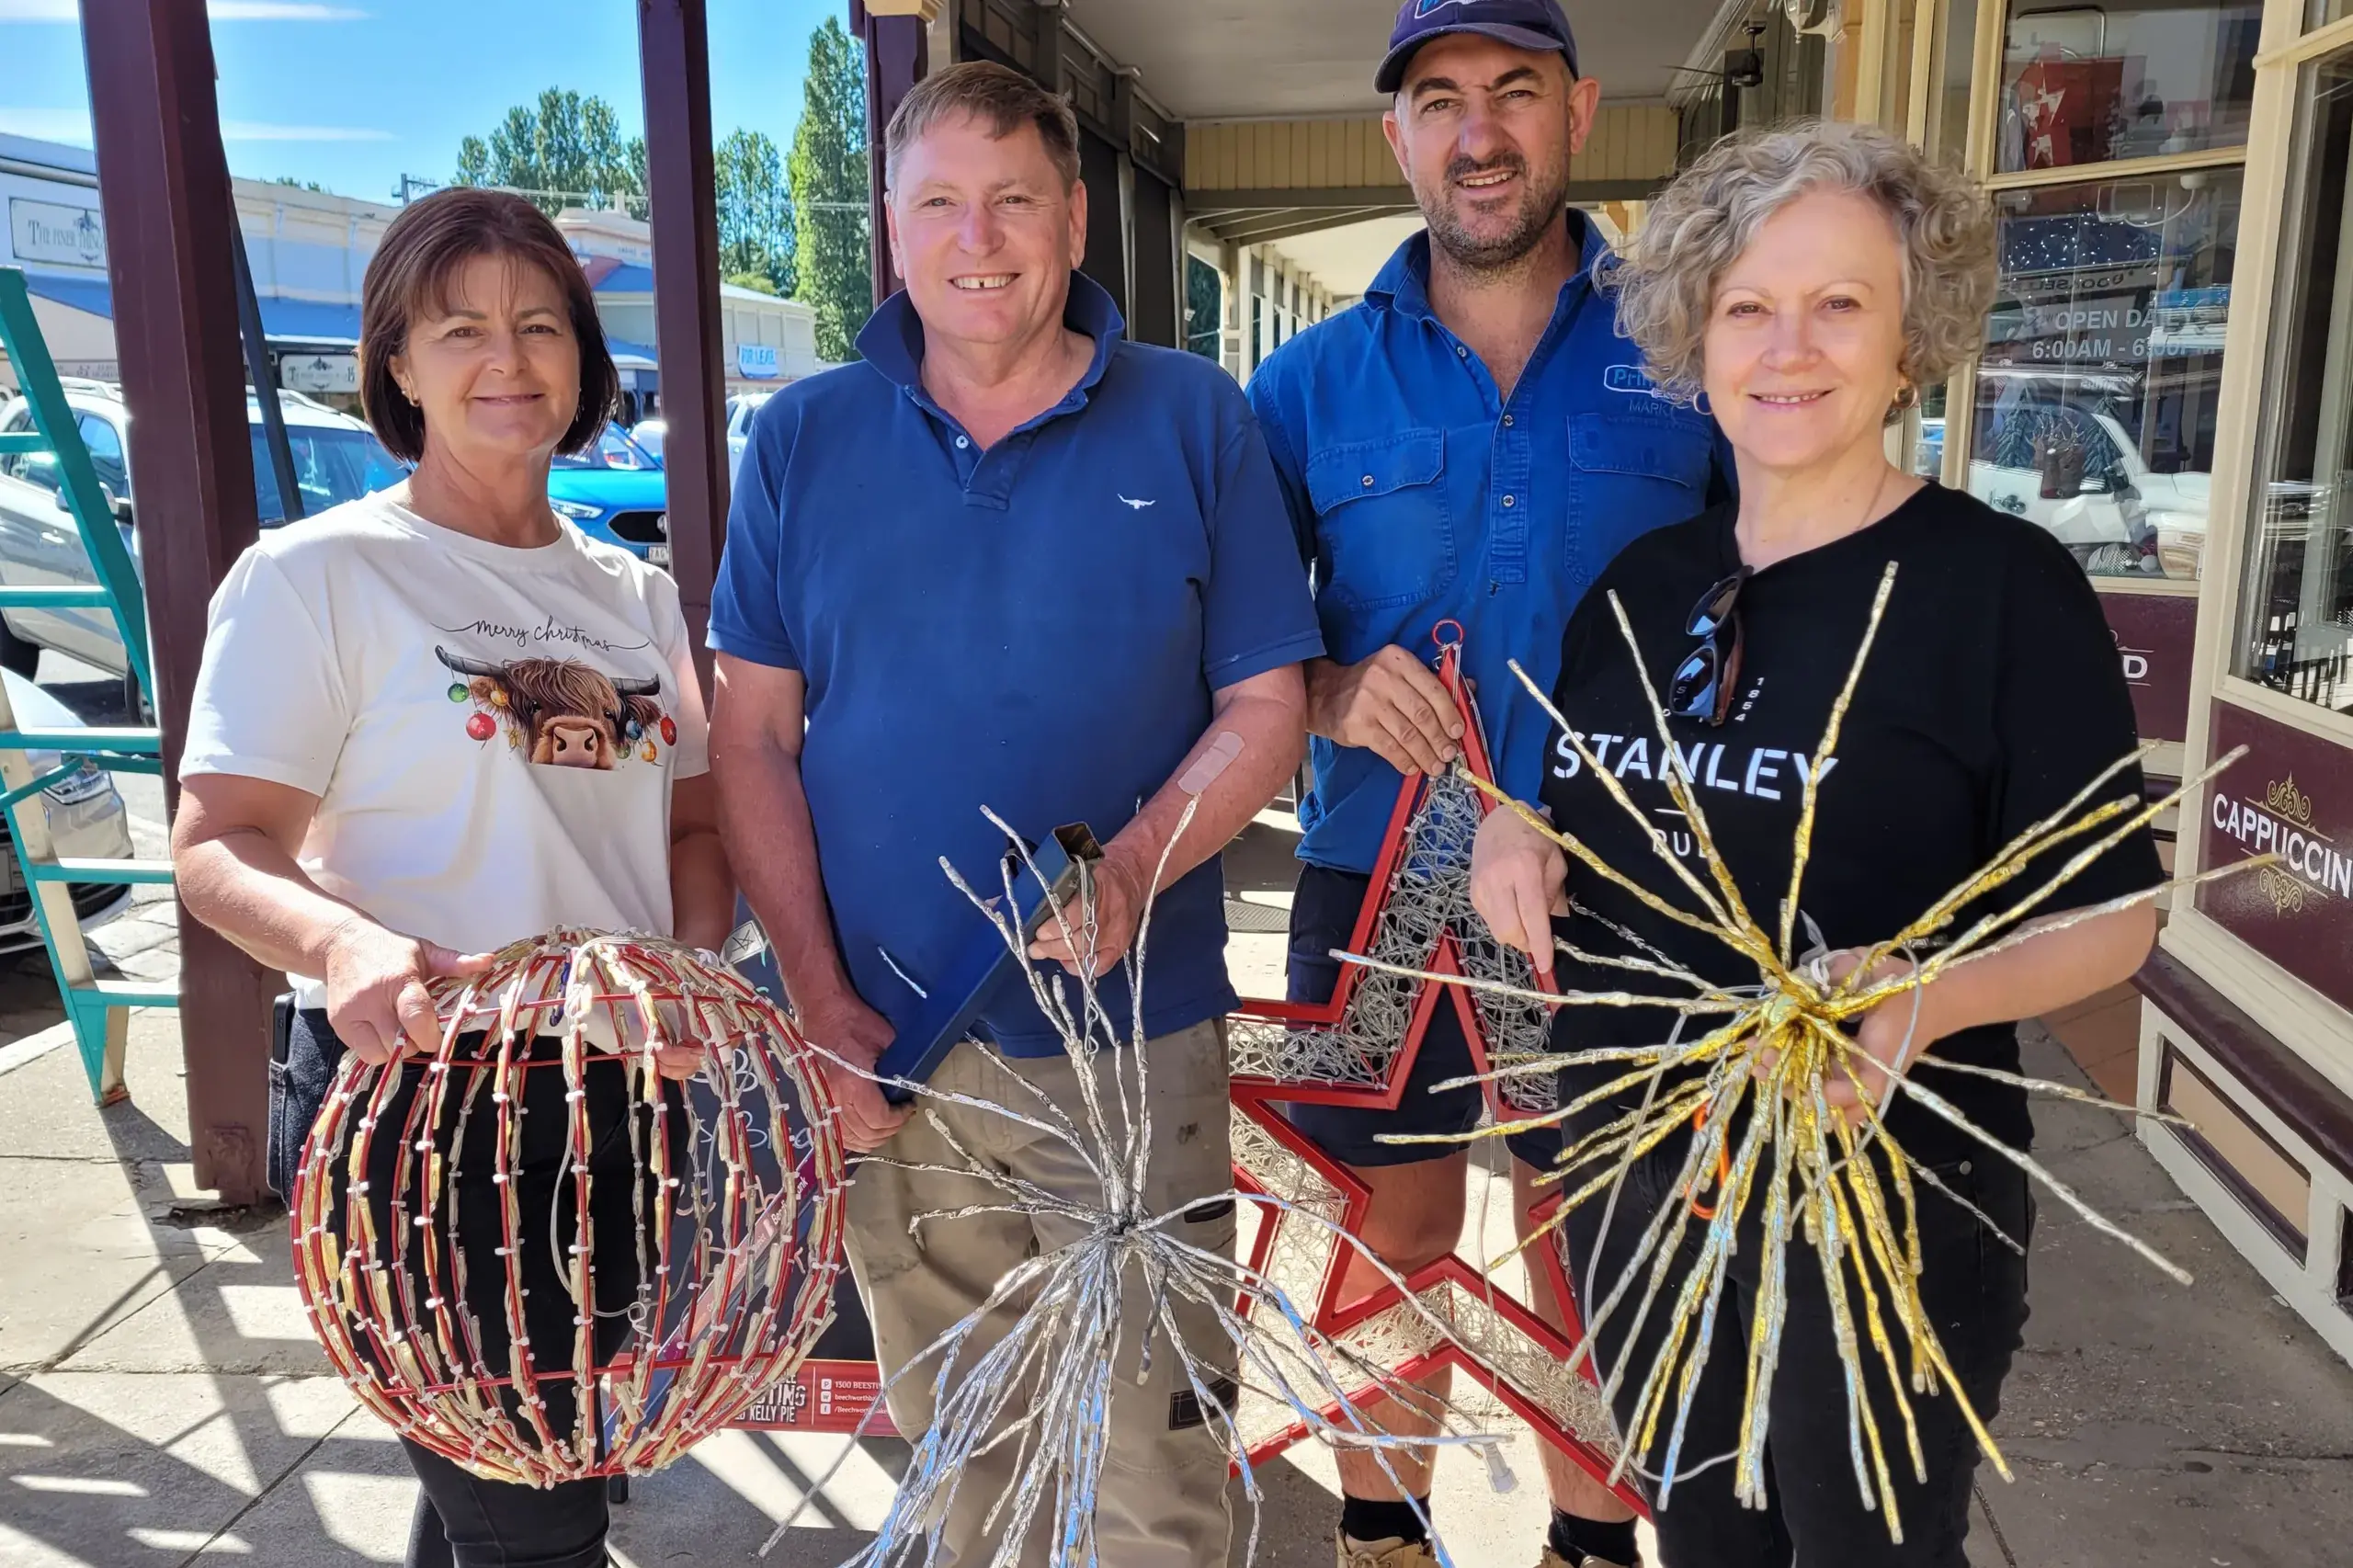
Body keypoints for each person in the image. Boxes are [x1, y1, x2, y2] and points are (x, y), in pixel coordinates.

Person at [1469, 121, 2162, 1568]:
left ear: (1913, 338)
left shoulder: (2000, 591)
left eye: (1839, 303)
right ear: (1697, 340)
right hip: (1647, 1192)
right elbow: (1574, 808)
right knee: (1705, 1536)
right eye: (1748, 306)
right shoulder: (1640, 590)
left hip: (1889, 1220)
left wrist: (1924, 997)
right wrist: (1512, 829)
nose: (1790, 346)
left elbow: (2113, 920)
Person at [706, 62, 1321, 1567]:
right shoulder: (801, 441)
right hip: (893, 1056)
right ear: (892, 232)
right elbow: (751, 735)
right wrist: (815, 998)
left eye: (1013, 201)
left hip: (1132, 1047)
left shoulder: (1196, 418)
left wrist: (1134, 864)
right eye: (939, 206)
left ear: (1075, 216)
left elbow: (1265, 707)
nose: (978, 239)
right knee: (957, 1455)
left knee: (1156, 1472)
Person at [169, 188, 732, 1568]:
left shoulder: (633, 596)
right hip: (422, 1110)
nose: (509, 358)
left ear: (586, 366)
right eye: (461, 325)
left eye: (542, 325)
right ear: (395, 363)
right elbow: (215, 840)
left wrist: (693, 970)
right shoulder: (317, 578)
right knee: (535, 1514)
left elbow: (697, 832)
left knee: (515, 1485)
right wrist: (342, 943)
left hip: (615, 1098)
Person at [1246, 5, 1728, 1564]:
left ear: (1578, 109)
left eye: (1512, 91)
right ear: (1396, 134)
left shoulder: (1692, 343)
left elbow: (1772, 593)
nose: (1477, 131)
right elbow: (1234, 634)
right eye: (1439, 99)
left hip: (1626, 885)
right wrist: (1324, 683)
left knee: (1584, 1242)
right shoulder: (1306, 384)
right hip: (1375, 873)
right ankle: (1382, 1535)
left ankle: (1588, 1544)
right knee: (1389, 1233)